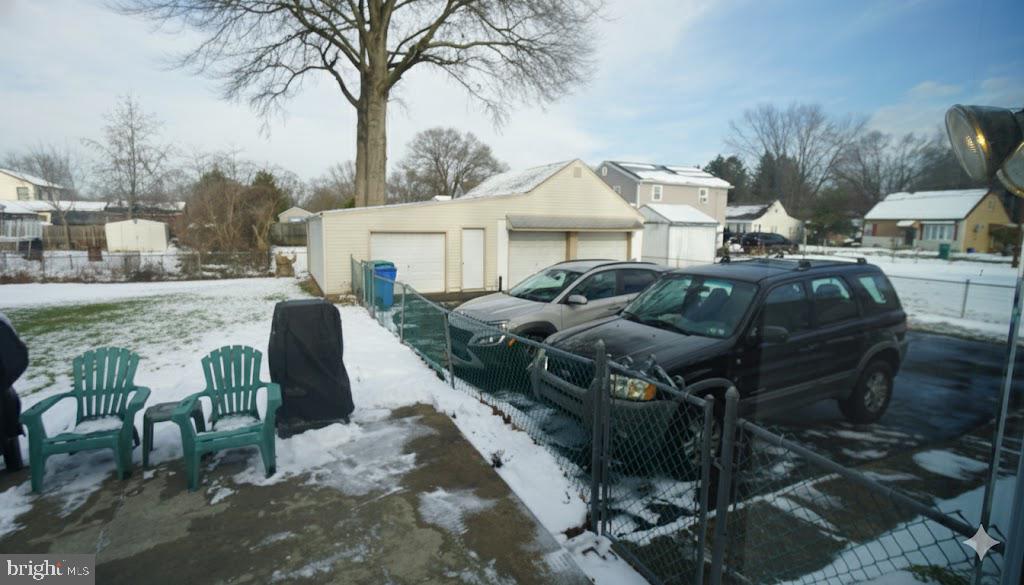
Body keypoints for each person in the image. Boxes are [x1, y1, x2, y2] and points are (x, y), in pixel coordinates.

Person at [0, 311, 26, 471]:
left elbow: (18, 358)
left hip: (4, 396)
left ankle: (14, 468)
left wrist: (3, 382)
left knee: (8, 433)